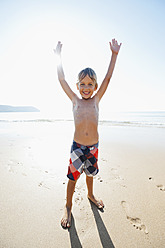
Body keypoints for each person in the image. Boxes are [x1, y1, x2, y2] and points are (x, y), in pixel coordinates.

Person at [54, 39, 121, 228]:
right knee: (72, 178)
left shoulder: (96, 100)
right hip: (77, 147)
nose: (86, 87)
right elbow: (61, 79)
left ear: (95, 87)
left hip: (93, 147)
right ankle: (68, 206)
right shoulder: (75, 100)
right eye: (82, 84)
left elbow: (108, 78)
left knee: (90, 174)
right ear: (77, 86)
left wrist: (114, 55)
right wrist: (58, 57)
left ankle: (90, 195)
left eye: (90, 84)